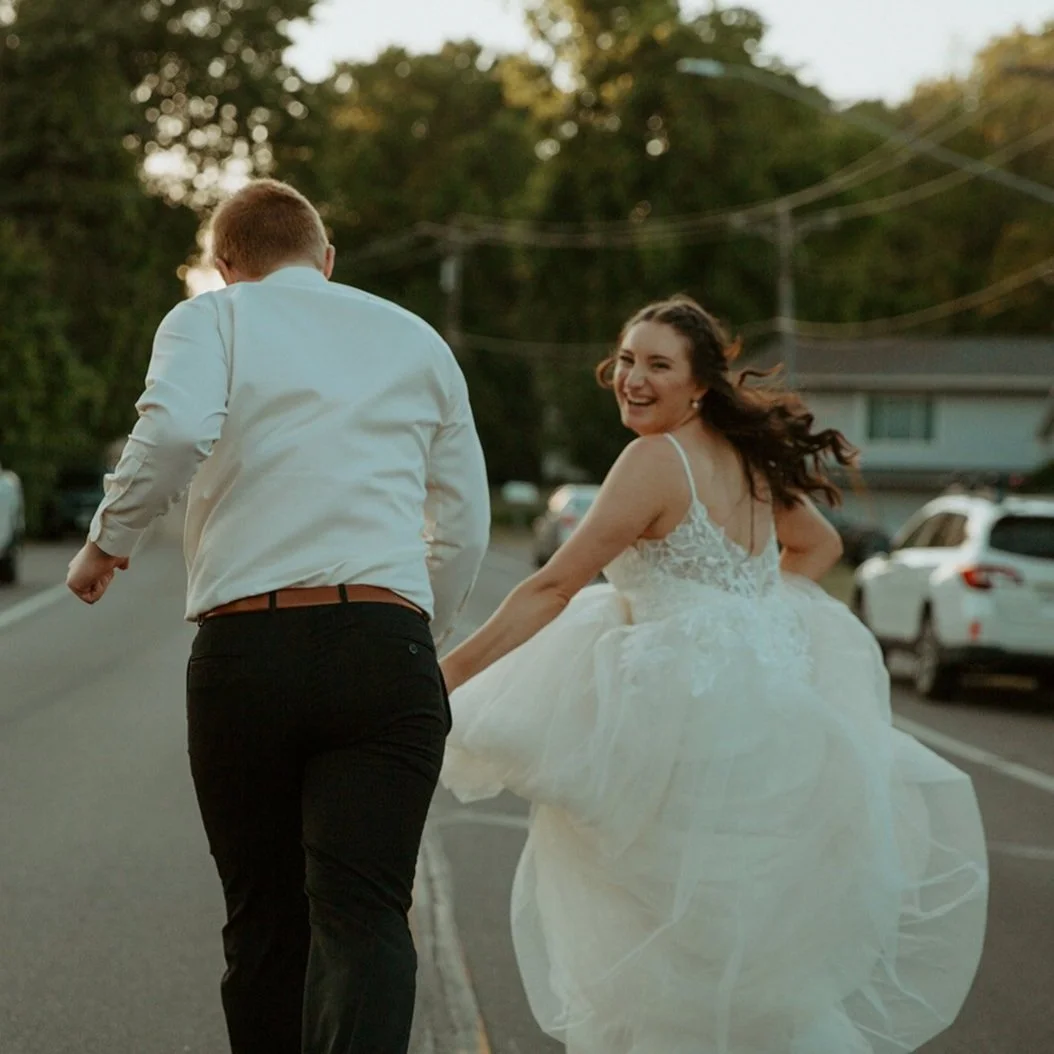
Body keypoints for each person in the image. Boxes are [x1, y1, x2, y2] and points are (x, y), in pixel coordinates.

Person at [439, 295, 988, 1054]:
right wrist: (745, 611)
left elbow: (553, 587)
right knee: (746, 939)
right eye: (627, 359)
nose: (632, 377)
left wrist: (447, 676)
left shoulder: (654, 460)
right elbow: (819, 547)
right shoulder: (744, 458)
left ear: (698, 385)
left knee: (667, 942)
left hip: (686, 720)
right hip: (769, 714)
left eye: (657, 365)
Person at [66, 178, 490, 1054]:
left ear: (225, 267)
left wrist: (109, 541)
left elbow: (176, 429)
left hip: (246, 652)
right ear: (326, 261)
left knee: (263, 921)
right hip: (385, 645)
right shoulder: (416, 337)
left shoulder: (210, 320)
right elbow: (465, 523)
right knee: (368, 919)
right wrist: (412, 630)